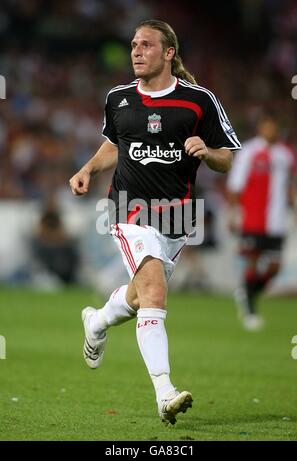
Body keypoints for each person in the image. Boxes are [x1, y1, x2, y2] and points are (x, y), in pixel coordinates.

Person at [69, 19, 241, 425]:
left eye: (146, 44)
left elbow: (228, 157)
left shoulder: (199, 101)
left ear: (168, 53)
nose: (135, 51)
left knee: (139, 296)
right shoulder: (118, 98)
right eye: (132, 44)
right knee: (154, 292)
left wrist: (206, 151)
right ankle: (165, 392)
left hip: (177, 217)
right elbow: (115, 143)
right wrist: (89, 169)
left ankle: (96, 321)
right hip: (128, 209)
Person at [226, 113, 297, 331]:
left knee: (275, 267)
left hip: (276, 221)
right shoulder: (249, 152)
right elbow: (235, 186)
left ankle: (247, 292)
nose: (271, 131)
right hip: (253, 219)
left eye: (274, 127)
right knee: (253, 262)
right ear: (260, 129)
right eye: (267, 127)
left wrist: (295, 207)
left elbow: (290, 185)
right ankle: (249, 310)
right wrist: (234, 214)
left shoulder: (286, 154)